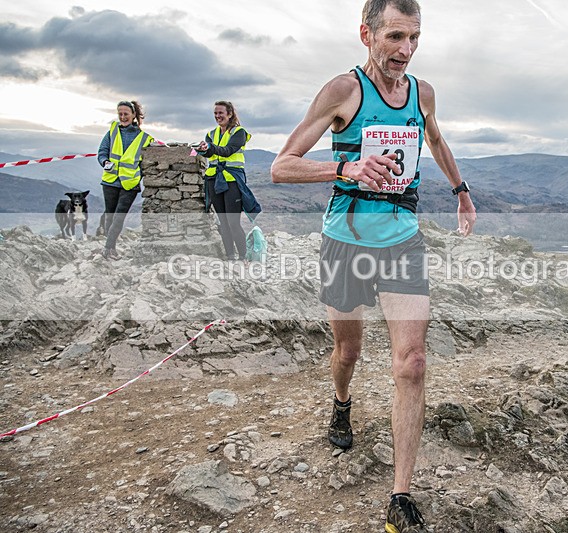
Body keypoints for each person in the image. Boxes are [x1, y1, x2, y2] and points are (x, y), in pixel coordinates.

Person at [271, 1, 476, 531]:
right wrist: (348, 166)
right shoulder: (344, 91)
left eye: (414, 38)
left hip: (403, 242)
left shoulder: (422, 93)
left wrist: (461, 191)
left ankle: (401, 496)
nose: (405, 51)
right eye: (394, 37)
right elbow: (280, 167)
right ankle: (341, 402)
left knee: (412, 363)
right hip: (346, 241)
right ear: (367, 34)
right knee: (348, 350)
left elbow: (435, 138)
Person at [197, 100, 261, 261]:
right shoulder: (211, 134)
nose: (218, 116)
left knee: (233, 222)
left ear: (230, 114)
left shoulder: (239, 133)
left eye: (221, 113)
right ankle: (230, 256)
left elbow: (228, 151)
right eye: (215, 113)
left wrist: (210, 148)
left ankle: (243, 256)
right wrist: (203, 150)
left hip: (232, 181)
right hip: (214, 180)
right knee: (223, 222)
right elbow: (211, 155)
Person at [97, 100, 153, 260]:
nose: (122, 117)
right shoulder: (112, 132)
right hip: (110, 180)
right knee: (109, 215)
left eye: (126, 114)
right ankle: (111, 247)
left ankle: (107, 249)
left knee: (119, 216)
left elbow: (146, 162)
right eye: (120, 114)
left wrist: (139, 175)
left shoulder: (144, 138)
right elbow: (102, 152)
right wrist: (104, 162)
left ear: (134, 115)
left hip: (130, 184)